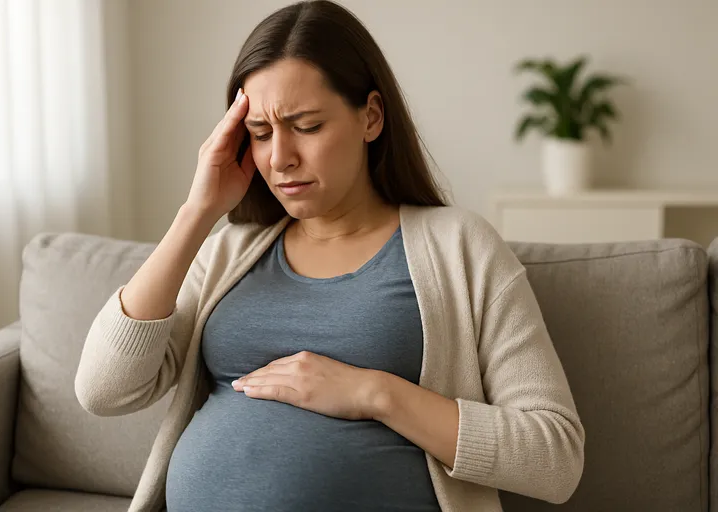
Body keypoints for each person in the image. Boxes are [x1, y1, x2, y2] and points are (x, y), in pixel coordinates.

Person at [75, 1, 585, 511]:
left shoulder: (459, 246)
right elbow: (104, 391)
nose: (280, 158)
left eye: (307, 126)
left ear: (371, 116)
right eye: (259, 134)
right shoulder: (230, 251)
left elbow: (554, 455)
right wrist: (197, 211)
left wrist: (375, 395)